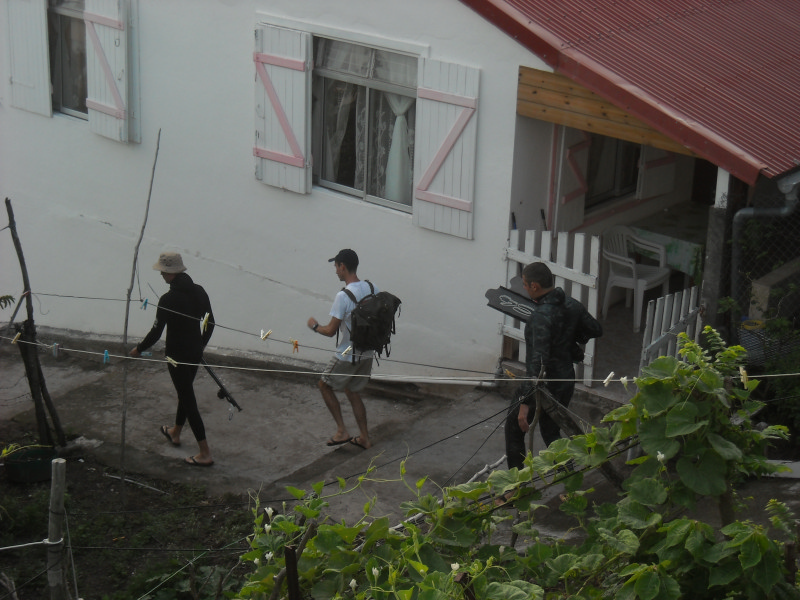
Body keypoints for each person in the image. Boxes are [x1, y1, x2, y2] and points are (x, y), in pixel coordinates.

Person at [504, 261, 602, 471]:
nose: (524, 288)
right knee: (551, 433)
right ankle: (568, 479)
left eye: (525, 284)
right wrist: (571, 340)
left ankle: (514, 486)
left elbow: (538, 363)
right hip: (565, 379)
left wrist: (524, 403)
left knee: (514, 428)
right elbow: (595, 329)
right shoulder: (572, 304)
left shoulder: (540, 316)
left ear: (535, 287)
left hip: (544, 384)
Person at [130, 252, 216, 467]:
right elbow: (210, 323)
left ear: (170, 273)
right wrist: (201, 344)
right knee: (184, 392)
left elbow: (157, 332)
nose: (161, 275)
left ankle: (205, 453)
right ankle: (175, 432)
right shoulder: (199, 291)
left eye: (162, 272)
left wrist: (139, 349)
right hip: (194, 353)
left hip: (176, 356)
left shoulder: (168, 299)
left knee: (188, 399)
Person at [307, 249, 375, 450]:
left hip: (347, 353)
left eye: (336, 266)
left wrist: (314, 326)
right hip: (368, 351)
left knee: (324, 385)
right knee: (352, 390)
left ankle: (341, 431)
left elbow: (330, 331)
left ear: (343, 267)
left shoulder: (343, 296)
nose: (335, 271)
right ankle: (364, 437)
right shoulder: (372, 287)